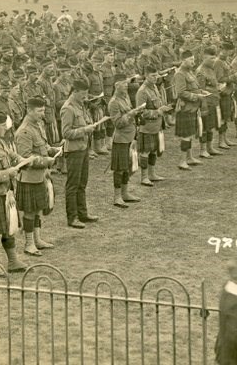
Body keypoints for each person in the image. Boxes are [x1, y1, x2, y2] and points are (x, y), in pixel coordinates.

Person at [0, 113, 38, 275]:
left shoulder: (0, 143)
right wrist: (8, 172)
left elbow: (13, 156)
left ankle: (12, 261)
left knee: (8, 227)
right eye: (3, 126)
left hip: (6, 193)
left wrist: (24, 160)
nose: (6, 129)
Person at [14, 98, 58, 256]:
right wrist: (46, 161)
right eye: (39, 111)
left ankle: (37, 239)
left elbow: (43, 146)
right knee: (29, 212)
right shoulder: (25, 131)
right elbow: (25, 159)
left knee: (38, 209)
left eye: (43, 111)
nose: (42, 114)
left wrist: (52, 150)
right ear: (29, 111)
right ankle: (29, 243)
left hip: (39, 176)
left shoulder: (37, 125)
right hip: (29, 178)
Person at [60, 79, 99, 229]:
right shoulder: (68, 108)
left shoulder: (80, 104)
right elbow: (66, 133)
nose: (85, 97)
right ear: (75, 92)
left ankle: (83, 213)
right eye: (82, 94)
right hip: (74, 150)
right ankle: (72, 217)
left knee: (82, 183)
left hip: (83, 148)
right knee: (73, 185)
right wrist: (85, 130)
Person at [108, 81, 145, 207]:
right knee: (119, 168)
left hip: (129, 137)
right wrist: (131, 114)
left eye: (126, 84)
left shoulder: (125, 97)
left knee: (127, 166)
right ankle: (117, 196)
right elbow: (118, 123)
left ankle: (125, 193)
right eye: (123, 85)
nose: (126, 86)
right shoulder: (114, 102)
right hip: (121, 139)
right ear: (116, 86)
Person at [136, 65, 170, 186]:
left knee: (154, 151)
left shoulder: (154, 87)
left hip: (157, 125)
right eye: (152, 76)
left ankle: (152, 174)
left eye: (156, 75)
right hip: (147, 127)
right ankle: (144, 177)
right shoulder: (142, 91)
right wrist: (158, 112)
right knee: (145, 152)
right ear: (146, 76)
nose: (155, 78)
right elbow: (140, 112)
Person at [173, 51, 207, 170]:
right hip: (185, 109)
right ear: (183, 60)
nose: (193, 62)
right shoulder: (180, 74)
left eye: (193, 59)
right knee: (186, 135)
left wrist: (202, 92)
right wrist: (197, 97)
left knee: (191, 134)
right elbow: (181, 92)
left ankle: (190, 157)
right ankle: (182, 161)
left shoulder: (189, 72)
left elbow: (194, 88)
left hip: (193, 108)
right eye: (191, 60)